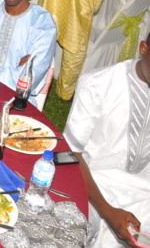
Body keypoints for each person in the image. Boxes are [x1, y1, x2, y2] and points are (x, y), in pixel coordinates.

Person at [64, 36, 150, 247]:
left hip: (145, 194)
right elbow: (71, 152)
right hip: (94, 186)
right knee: (70, 233)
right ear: (143, 48)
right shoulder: (99, 84)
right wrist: (107, 211)